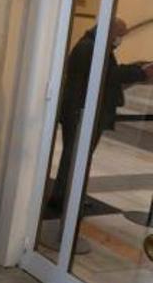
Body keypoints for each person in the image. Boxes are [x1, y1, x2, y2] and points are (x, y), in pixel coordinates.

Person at [46, 18, 153, 215]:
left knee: (77, 156)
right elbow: (109, 75)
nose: (119, 40)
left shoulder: (94, 46)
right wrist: (140, 72)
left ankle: (68, 196)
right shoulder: (90, 48)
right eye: (119, 35)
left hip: (83, 111)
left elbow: (108, 72)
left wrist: (137, 68)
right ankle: (64, 199)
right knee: (75, 156)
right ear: (109, 31)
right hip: (81, 112)